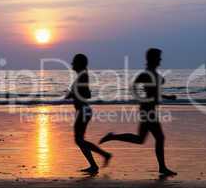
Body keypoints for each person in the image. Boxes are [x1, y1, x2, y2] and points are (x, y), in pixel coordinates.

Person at [99, 48, 177, 176]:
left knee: (141, 139)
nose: (160, 60)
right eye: (158, 57)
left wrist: (167, 97)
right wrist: (142, 98)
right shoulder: (147, 74)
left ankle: (112, 136)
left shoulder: (151, 73)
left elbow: (154, 91)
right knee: (159, 138)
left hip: (149, 109)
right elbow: (134, 86)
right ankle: (162, 168)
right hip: (148, 110)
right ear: (152, 59)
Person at [65, 54, 112, 175]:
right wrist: (73, 93)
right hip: (83, 110)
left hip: (83, 111)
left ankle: (100, 160)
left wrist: (72, 93)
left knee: (79, 140)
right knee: (79, 140)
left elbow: (85, 94)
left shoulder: (82, 76)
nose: (71, 64)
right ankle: (98, 160)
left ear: (79, 64)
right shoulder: (82, 76)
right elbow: (86, 94)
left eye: (74, 62)